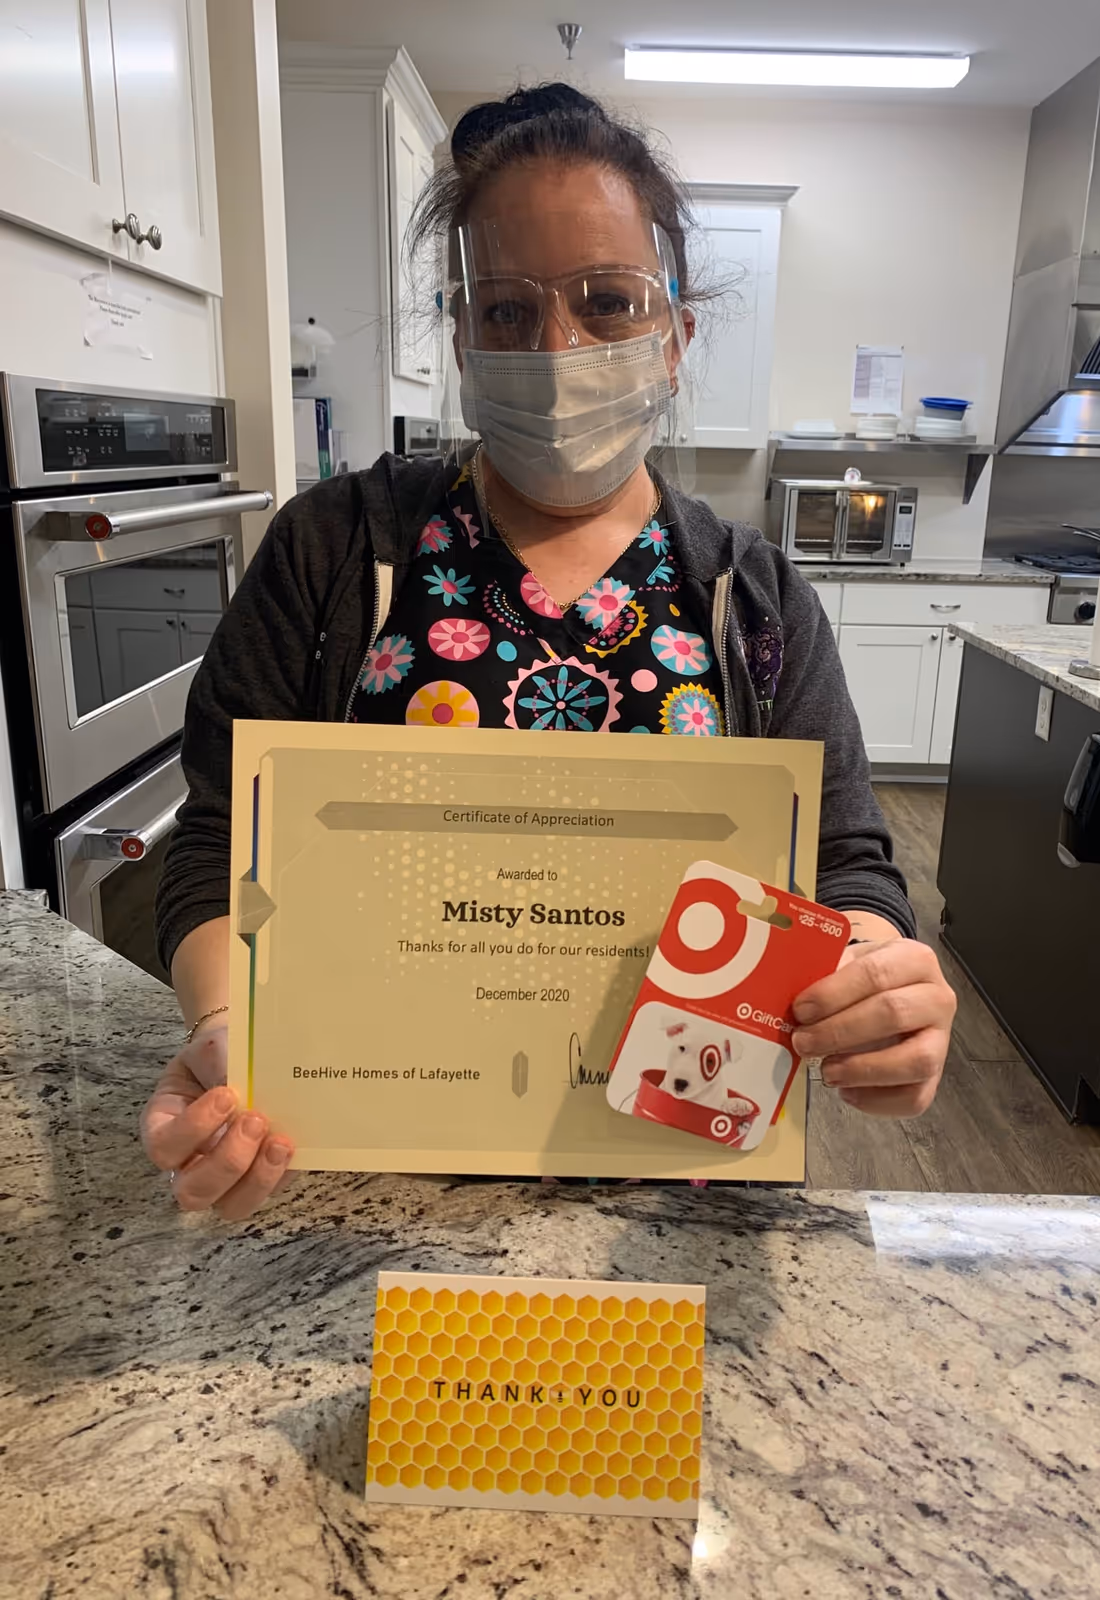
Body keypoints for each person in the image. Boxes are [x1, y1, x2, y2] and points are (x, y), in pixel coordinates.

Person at [145, 83, 956, 1220]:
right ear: (461, 333)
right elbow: (225, 836)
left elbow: (845, 867)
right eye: (510, 311)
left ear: (677, 332)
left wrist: (876, 987)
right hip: (358, 1168)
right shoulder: (334, 551)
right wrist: (232, 1032)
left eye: (608, 300)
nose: (559, 346)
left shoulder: (751, 598)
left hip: (674, 1187)